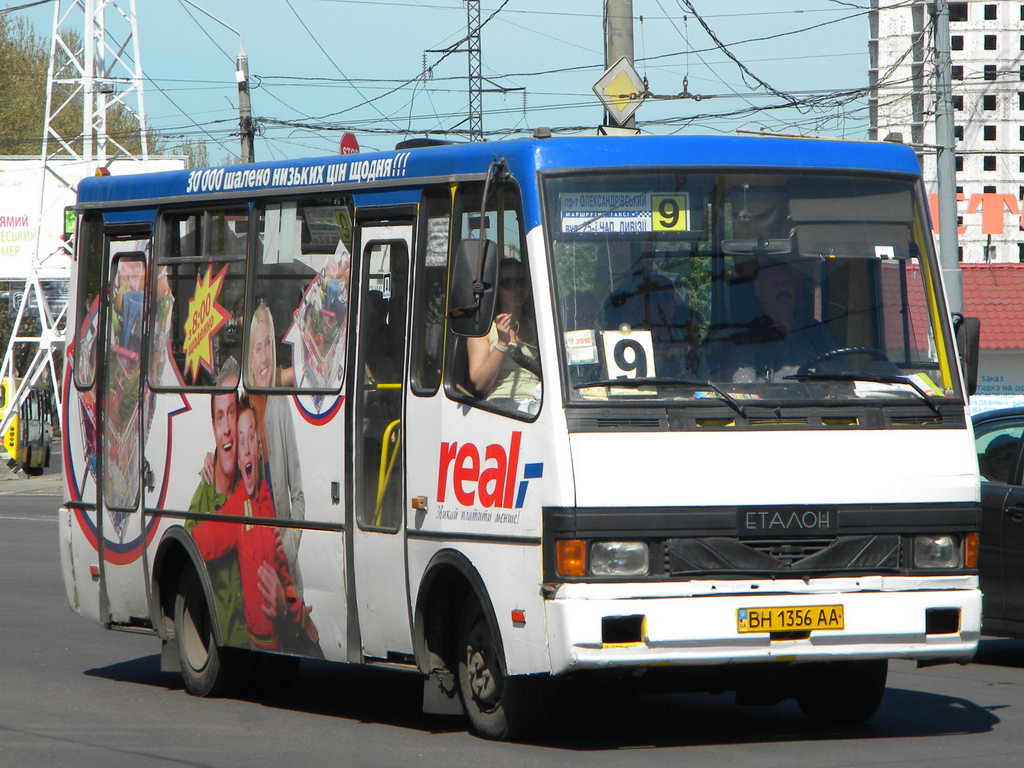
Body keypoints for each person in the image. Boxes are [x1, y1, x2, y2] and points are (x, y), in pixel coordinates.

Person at [190, 398, 319, 653]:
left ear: (259, 449)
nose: (247, 448)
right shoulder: (237, 507)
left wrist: (299, 614)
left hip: (281, 641)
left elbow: (283, 572)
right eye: (242, 441)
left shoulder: (266, 501)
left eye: (252, 439)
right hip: (256, 645)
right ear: (238, 458)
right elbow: (197, 543)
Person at [186, 357, 247, 647]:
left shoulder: (253, 489)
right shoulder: (204, 496)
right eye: (219, 417)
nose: (226, 428)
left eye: (232, 414)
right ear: (213, 426)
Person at [247, 302, 306, 589]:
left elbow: (298, 496)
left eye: (269, 344)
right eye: (258, 347)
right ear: (250, 355)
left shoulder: (280, 405)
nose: (265, 355)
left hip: (284, 572)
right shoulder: (240, 409)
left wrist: (289, 549)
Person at [599, 243, 701, 377]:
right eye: (656, 299)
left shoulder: (682, 336)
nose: (663, 305)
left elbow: (703, 378)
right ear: (638, 305)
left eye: (668, 297)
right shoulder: (617, 335)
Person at [467, 257, 542, 412]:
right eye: (508, 283)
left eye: (522, 282)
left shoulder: (539, 325)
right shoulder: (483, 329)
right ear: (496, 289)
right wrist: (502, 343)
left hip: (542, 402)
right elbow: (480, 383)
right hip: (503, 406)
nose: (518, 289)